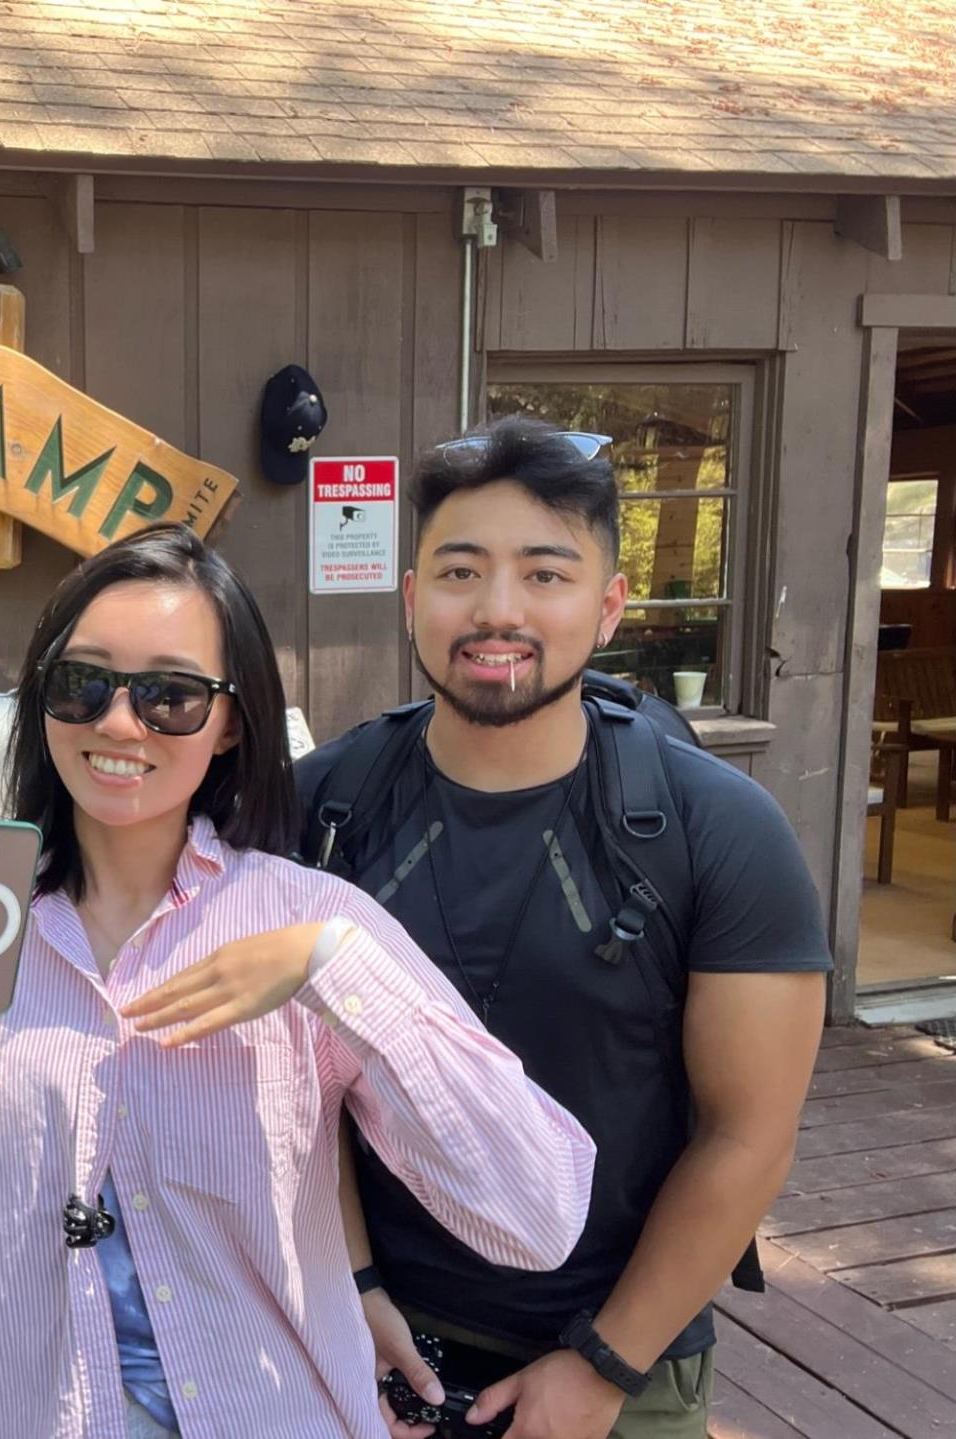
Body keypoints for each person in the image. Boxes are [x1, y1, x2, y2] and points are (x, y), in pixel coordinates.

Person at [0, 524, 595, 1439]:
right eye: (83, 684)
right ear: (41, 700)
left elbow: (538, 1213)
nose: (120, 723)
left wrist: (333, 970)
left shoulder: (308, 922)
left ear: (232, 718)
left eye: (171, 695)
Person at [246, 418, 829, 1439]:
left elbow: (750, 1134)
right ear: (413, 597)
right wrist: (357, 1286)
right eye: (461, 570)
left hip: (622, 1353)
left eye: (545, 574)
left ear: (609, 606)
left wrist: (602, 1363)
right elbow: (298, 1086)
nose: (497, 610)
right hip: (370, 1331)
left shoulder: (718, 829)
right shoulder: (322, 804)